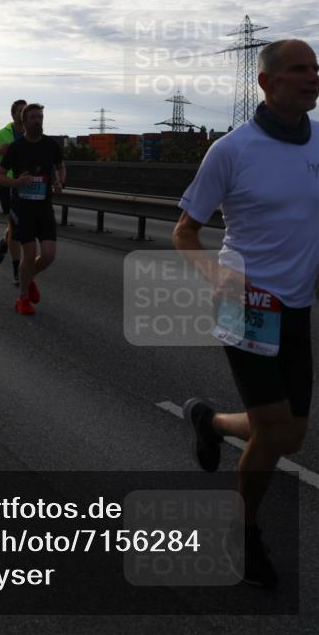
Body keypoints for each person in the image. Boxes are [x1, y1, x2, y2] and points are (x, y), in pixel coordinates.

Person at [173, 39, 319, 589]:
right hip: (247, 305)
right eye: (300, 69)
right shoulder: (231, 150)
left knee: (289, 436)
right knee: (273, 429)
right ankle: (245, 531)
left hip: (297, 306)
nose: (313, 77)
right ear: (266, 82)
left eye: (316, 68)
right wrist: (216, 275)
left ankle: (210, 422)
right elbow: (185, 232)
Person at [0, 104, 66, 315]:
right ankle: (23, 298)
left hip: (44, 207)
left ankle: (28, 277)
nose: (38, 120)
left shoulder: (51, 145)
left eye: (40, 117)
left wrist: (60, 181)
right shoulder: (16, 147)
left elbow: (60, 166)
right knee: (29, 254)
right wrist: (17, 182)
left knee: (49, 255)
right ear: (24, 122)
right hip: (22, 208)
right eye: (33, 117)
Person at [0, 99, 26, 285]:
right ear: (13, 114)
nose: (23, 114)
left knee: (17, 226)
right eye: (20, 111)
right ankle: (17, 271)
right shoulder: (2, 134)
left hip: (26, 186)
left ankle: (4, 242)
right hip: (8, 185)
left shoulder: (31, 134)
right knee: (15, 227)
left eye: (25, 110)